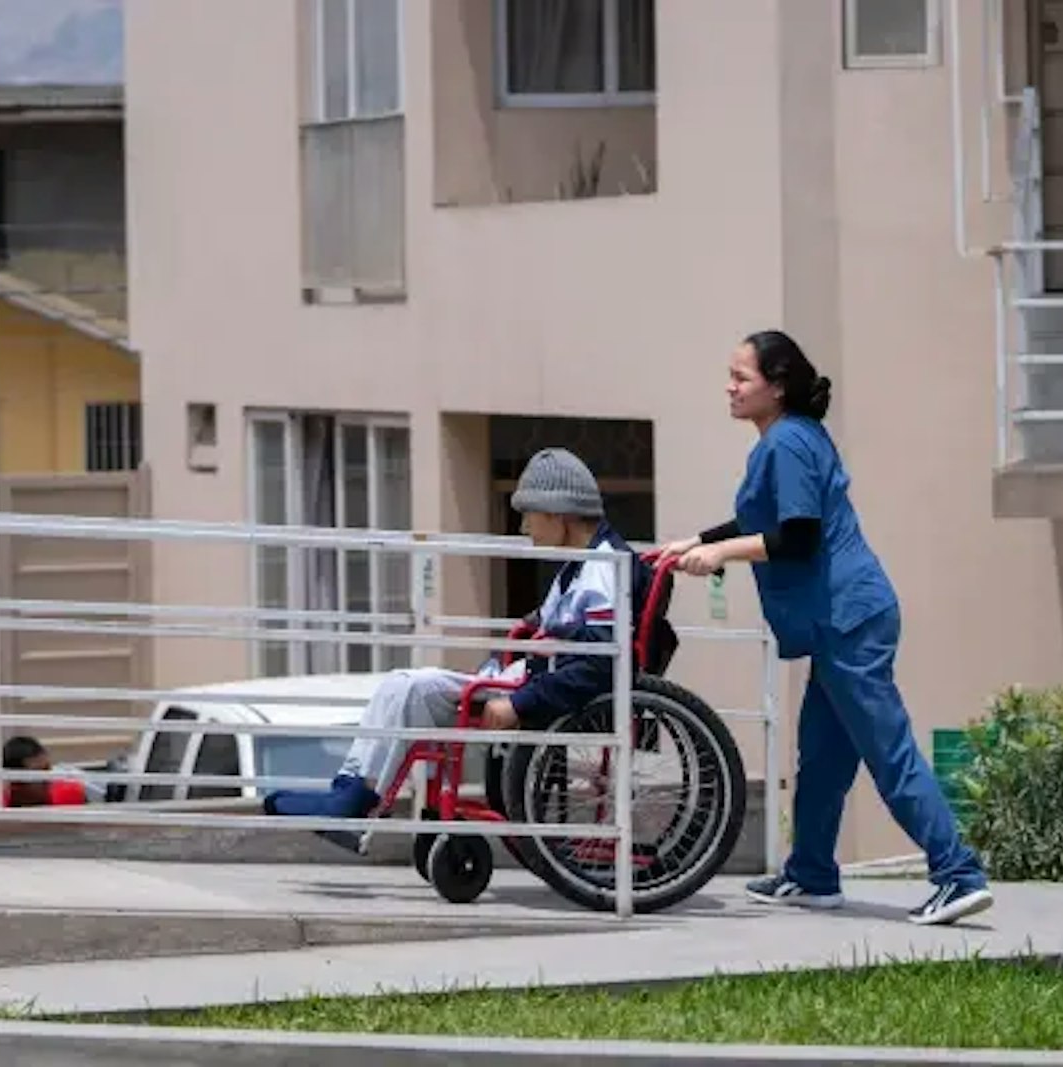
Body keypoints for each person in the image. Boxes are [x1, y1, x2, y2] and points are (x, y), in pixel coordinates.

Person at [655, 329, 993, 926]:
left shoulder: (786, 442)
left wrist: (723, 555)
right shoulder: (790, 438)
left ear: (776, 387)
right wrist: (699, 541)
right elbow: (764, 517)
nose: (728, 387)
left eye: (741, 377)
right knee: (824, 755)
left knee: (888, 751)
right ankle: (811, 874)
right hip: (841, 619)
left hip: (848, 619)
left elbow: (799, 536)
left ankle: (958, 874)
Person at [263, 447, 653, 845]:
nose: (523, 528)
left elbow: (601, 662)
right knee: (402, 685)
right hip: (524, 677)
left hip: (538, 689)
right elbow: (564, 636)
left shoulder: (603, 569)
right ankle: (352, 794)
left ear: (557, 515)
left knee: (415, 689)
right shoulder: (580, 567)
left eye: (528, 516)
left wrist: (521, 703)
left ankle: (357, 803)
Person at [2, 735, 90, 808]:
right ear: (15, 783)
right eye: (38, 774)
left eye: (47, 770)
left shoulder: (70, 794)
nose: (47, 779)